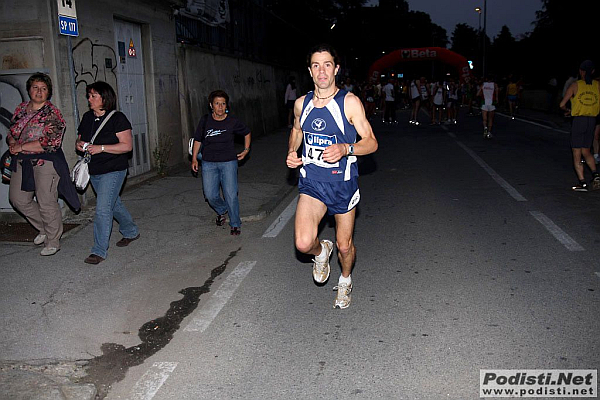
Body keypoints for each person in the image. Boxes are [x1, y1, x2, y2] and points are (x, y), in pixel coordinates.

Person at [286, 44, 378, 309]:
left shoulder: (349, 102)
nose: (322, 70)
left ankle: (346, 280)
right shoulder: (301, 104)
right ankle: (321, 251)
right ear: (310, 71)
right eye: (316, 65)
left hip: (342, 185)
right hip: (312, 182)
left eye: (327, 64)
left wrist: (346, 148)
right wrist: (292, 152)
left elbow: (371, 142)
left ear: (336, 69)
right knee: (303, 243)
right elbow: (296, 130)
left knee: (345, 246)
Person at [7, 72, 80, 256]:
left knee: (46, 201)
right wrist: (12, 143)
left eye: (43, 88)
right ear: (29, 89)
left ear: (49, 92)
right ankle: (45, 228)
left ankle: (53, 239)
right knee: (18, 199)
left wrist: (21, 146)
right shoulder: (21, 108)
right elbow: (12, 131)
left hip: (45, 161)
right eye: (35, 87)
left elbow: (51, 142)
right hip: (22, 161)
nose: (39, 92)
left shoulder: (52, 113)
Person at [76, 81, 139, 264]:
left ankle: (99, 251)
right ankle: (131, 231)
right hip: (94, 169)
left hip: (114, 169)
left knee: (103, 209)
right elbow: (79, 140)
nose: (90, 99)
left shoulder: (118, 118)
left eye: (93, 96)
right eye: (89, 95)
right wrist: (80, 145)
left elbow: (127, 146)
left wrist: (101, 148)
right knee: (114, 204)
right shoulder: (88, 117)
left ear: (105, 98)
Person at [191, 90, 251, 235]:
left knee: (230, 194)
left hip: (229, 162)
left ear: (226, 105)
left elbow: (246, 132)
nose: (220, 107)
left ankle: (235, 223)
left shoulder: (232, 121)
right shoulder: (205, 121)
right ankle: (222, 209)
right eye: (217, 104)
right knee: (210, 195)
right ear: (211, 105)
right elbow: (198, 139)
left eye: (223, 104)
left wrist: (246, 149)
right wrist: (194, 158)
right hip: (208, 163)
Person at [559, 60, 600, 191]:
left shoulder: (575, 85)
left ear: (581, 71)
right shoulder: (598, 85)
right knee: (586, 150)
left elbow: (562, 104)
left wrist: (568, 110)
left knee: (576, 152)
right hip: (592, 120)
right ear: (593, 72)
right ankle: (596, 175)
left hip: (579, 120)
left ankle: (582, 182)